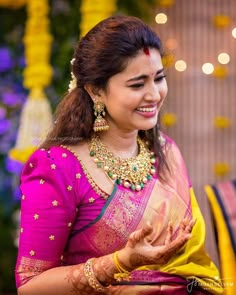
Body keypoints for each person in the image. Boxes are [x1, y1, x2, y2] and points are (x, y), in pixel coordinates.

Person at [15, 15, 223, 295]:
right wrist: (120, 263)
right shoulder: (57, 167)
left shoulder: (167, 151)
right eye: (137, 85)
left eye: (159, 78)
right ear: (96, 90)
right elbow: (30, 286)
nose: (154, 95)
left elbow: (193, 265)